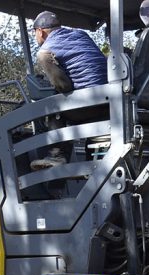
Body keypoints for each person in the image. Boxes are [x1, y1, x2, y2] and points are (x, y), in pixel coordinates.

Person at [30, 11, 107, 170]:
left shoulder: (45, 51)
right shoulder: (81, 35)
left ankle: (57, 156)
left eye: (34, 33)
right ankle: (92, 166)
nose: (35, 37)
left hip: (89, 103)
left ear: (40, 32)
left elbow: (64, 87)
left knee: (53, 106)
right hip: (109, 100)